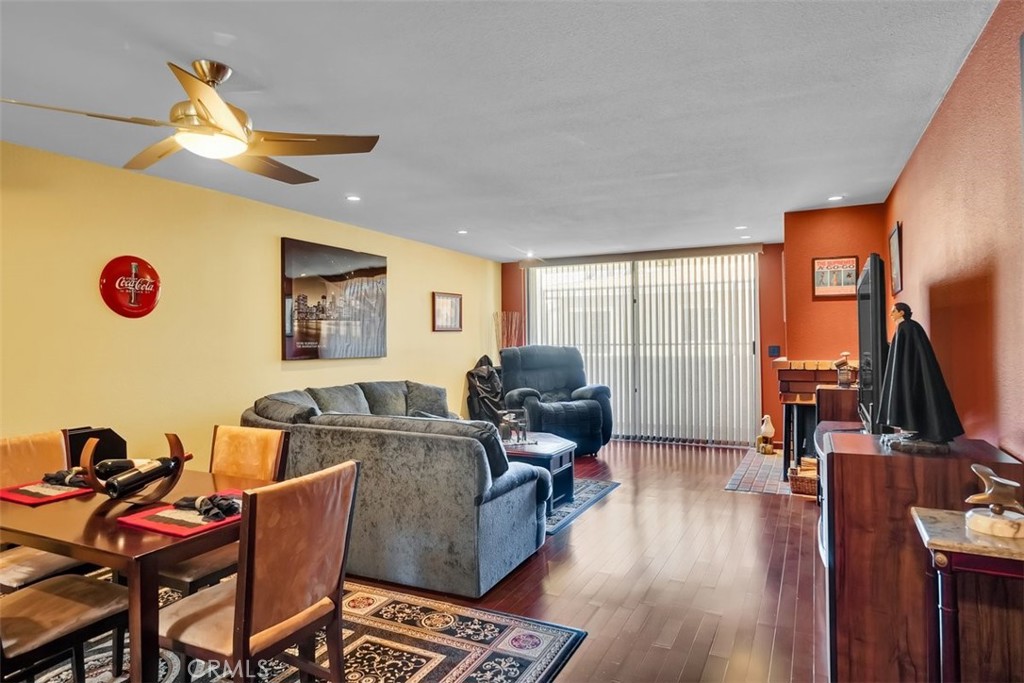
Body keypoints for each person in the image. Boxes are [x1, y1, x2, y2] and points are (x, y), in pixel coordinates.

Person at [878, 302, 964, 445]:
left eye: (894, 311)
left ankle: (916, 430)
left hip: (911, 374)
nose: (891, 314)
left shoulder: (907, 328)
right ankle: (914, 430)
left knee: (912, 396)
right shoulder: (909, 327)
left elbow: (908, 356)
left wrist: (904, 374)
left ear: (901, 313)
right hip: (911, 372)